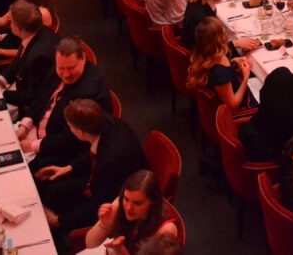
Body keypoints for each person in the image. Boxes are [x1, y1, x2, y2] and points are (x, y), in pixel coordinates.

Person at [36, 99, 147, 232]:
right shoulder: (104, 120)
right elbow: (95, 152)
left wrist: (59, 221)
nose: (69, 129)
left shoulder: (110, 161)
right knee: (54, 190)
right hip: (111, 176)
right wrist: (68, 168)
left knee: (55, 195)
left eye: (70, 126)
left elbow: (100, 203)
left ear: (81, 132)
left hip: (121, 195)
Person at [19, 38, 112, 159]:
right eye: (61, 68)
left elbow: (72, 138)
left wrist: (33, 145)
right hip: (35, 130)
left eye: (71, 68)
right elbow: (41, 96)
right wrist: (25, 125)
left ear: (83, 59)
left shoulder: (90, 91)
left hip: (56, 150)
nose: (66, 74)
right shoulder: (61, 64)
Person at [85, 170, 179, 253]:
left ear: (153, 202)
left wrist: (119, 249)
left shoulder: (166, 229)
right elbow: (90, 243)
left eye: (137, 203)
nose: (129, 207)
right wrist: (103, 226)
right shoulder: (121, 202)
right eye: (126, 199)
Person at [0, 0, 59, 112]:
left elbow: (30, 97)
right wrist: (1, 81)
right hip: (22, 85)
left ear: (18, 29)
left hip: (36, 104)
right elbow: (18, 61)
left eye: (11, 22)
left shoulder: (39, 57)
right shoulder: (35, 31)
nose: (9, 24)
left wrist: (1, 93)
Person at [186, 17, 253, 111]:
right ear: (219, 40)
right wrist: (246, 77)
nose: (225, 34)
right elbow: (233, 105)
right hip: (243, 109)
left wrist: (233, 62)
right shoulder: (220, 73)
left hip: (234, 90)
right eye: (223, 32)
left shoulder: (205, 55)